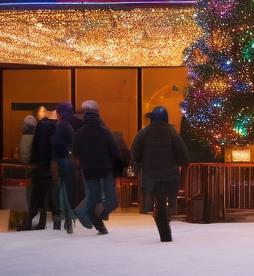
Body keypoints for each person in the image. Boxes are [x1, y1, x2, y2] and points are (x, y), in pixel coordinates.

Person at [131, 106, 191, 242]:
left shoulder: (144, 133)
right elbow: (184, 156)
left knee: (158, 202)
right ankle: (169, 216)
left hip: (151, 177)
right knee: (167, 202)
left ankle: (158, 218)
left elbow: (135, 153)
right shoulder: (172, 133)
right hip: (170, 175)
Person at [73, 100, 124, 235]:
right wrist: (119, 169)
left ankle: (92, 217)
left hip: (88, 171)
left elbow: (75, 152)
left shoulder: (79, 133)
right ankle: (86, 213)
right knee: (112, 201)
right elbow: (116, 151)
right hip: (105, 170)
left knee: (92, 199)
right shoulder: (105, 132)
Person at [26, 107, 60, 230]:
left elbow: (37, 146)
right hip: (50, 166)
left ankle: (30, 221)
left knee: (37, 197)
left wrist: (35, 161)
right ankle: (54, 223)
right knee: (51, 197)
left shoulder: (41, 126)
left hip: (40, 167)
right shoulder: (56, 127)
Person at [51, 101, 78, 233]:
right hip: (68, 160)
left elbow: (56, 144)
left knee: (63, 190)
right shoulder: (69, 126)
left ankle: (66, 217)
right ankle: (68, 218)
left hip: (62, 161)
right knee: (67, 189)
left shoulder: (61, 126)